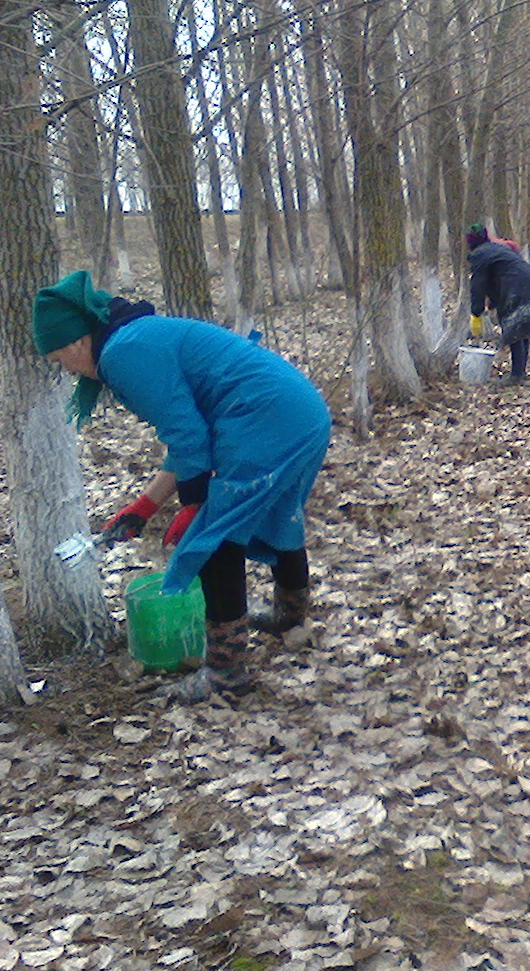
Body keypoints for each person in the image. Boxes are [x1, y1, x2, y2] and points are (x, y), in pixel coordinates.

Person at [33, 270, 331, 704]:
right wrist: (144, 507)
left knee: (213, 541)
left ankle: (227, 675)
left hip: (263, 416)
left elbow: (189, 438)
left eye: (58, 357)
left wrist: (194, 507)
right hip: (298, 412)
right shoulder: (130, 339)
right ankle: (292, 620)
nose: (61, 367)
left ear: (77, 341)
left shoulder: (122, 355)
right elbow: (189, 438)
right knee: (277, 512)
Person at [467, 222, 530, 385]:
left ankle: (516, 375)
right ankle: (519, 371)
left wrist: (476, 312)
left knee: (514, 328)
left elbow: (478, 285)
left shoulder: (479, 255)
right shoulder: (496, 249)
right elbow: (498, 276)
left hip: (517, 288)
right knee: (522, 330)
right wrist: (493, 302)